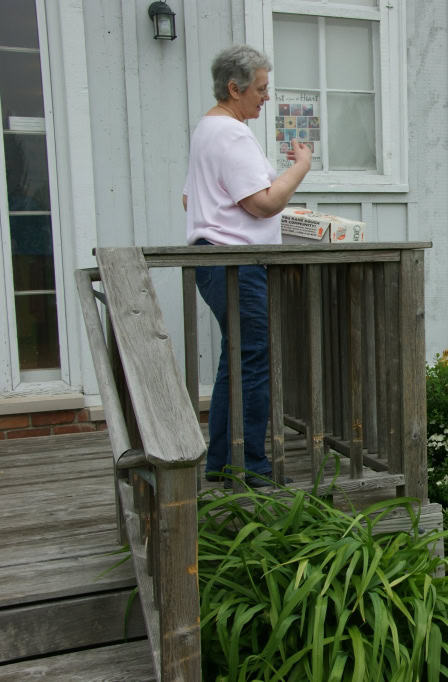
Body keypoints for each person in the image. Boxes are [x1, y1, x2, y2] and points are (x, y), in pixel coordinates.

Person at [182, 45, 311, 487]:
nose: (266, 97)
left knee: (235, 362)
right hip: (236, 264)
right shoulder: (232, 134)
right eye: (260, 89)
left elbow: (190, 198)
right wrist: (301, 167)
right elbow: (264, 203)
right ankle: (251, 466)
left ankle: (221, 461)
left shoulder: (206, 129)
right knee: (253, 362)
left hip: (213, 262)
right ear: (234, 88)